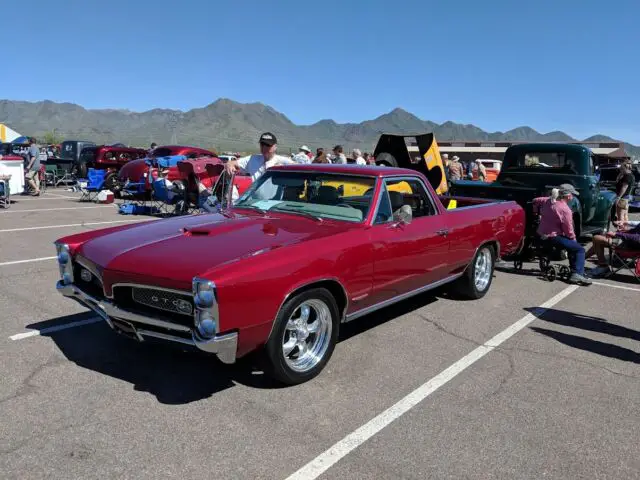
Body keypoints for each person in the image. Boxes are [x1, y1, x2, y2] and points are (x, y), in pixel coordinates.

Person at [532, 184, 592, 285]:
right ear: (568, 196)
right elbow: (568, 230)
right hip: (553, 237)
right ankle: (577, 273)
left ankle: (574, 270)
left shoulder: (547, 200)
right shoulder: (565, 210)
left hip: (540, 235)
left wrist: (535, 213)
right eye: (572, 194)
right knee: (579, 249)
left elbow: (535, 200)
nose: (573, 197)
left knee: (571, 246)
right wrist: (573, 239)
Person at [224, 132, 295, 185]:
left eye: (268, 145)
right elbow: (233, 163)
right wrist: (229, 164)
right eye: (262, 144)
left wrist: (282, 170)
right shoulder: (252, 159)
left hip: (275, 202)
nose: (264, 147)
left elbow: (300, 170)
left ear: (275, 147)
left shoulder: (284, 161)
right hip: (256, 202)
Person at [614, 162, 635, 227]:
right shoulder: (630, 175)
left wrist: (618, 197)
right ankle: (625, 230)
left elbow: (624, 187)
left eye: (621, 168)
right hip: (627, 197)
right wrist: (620, 174)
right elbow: (617, 181)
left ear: (625, 167)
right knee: (625, 214)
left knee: (620, 215)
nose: (620, 169)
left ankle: (621, 230)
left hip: (623, 198)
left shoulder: (627, 176)